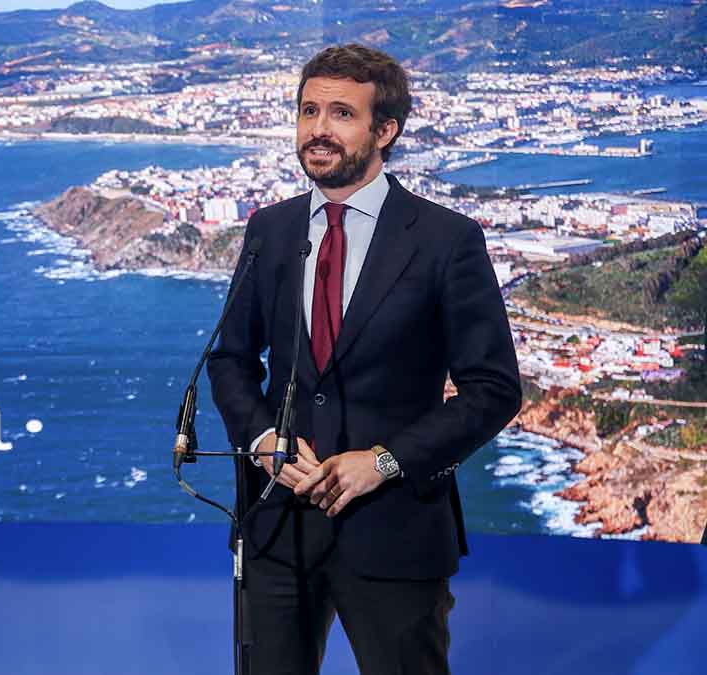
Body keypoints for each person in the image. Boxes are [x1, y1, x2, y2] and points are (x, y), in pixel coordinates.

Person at [206, 44, 522, 674]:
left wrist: (384, 462)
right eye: (308, 110)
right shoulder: (270, 230)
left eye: (341, 114)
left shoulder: (445, 240)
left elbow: (492, 388)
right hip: (277, 527)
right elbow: (230, 360)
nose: (318, 129)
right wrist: (263, 437)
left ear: (385, 131)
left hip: (394, 528)